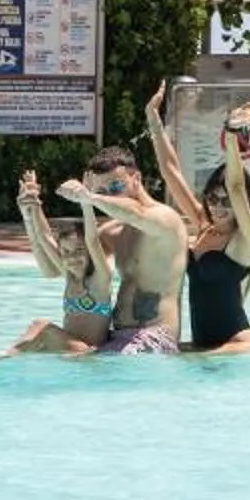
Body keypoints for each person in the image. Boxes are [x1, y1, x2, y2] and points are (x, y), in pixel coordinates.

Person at [145, 85, 250, 355]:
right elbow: (170, 172)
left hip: (237, 343)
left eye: (226, 202)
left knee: (185, 360)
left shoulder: (246, 236)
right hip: (202, 344)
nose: (218, 207)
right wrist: (154, 121)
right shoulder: (204, 225)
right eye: (212, 198)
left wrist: (232, 133)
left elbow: (235, 186)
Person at [56, 144, 188, 355]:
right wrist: (31, 213)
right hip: (118, 337)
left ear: (136, 178)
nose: (111, 196)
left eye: (116, 187)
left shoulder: (165, 219)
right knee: (47, 341)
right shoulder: (115, 231)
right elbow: (65, 258)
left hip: (153, 338)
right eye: (102, 191)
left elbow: (136, 213)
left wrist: (90, 197)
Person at [11, 168, 116, 354]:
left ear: (90, 253)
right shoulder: (69, 274)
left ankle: (7, 356)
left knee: (41, 326)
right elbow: (44, 235)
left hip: (87, 352)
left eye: (79, 250)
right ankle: (13, 355)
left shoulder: (100, 279)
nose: (72, 257)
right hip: (71, 350)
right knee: (40, 340)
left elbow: (92, 239)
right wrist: (34, 202)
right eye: (66, 252)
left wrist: (86, 201)